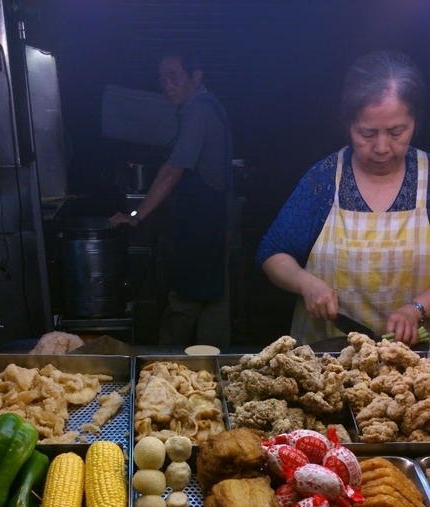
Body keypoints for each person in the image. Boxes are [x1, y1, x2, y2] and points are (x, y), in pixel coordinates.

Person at [257, 49, 430, 347]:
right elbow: (273, 253)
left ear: (415, 121)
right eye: (366, 133)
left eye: (396, 132)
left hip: (414, 365)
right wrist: (306, 283)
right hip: (327, 362)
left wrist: (417, 309)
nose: (381, 147)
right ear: (348, 125)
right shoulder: (324, 179)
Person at [110, 50, 233, 348]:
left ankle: (164, 370)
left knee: (184, 302)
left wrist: (137, 216)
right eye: (162, 79)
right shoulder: (210, 106)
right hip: (213, 225)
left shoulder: (198, 110)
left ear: (196, 76)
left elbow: (171, 171)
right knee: (214, 301)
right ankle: (215, 374)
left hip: (202, 227)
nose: (166, 85)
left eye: (173, 77)